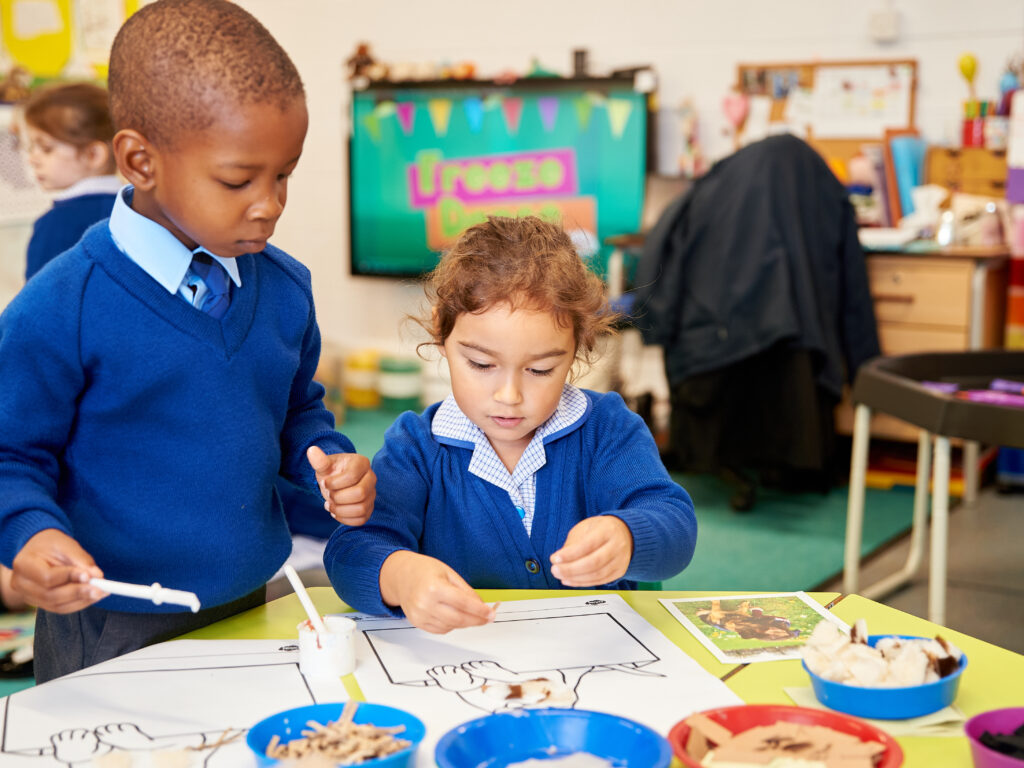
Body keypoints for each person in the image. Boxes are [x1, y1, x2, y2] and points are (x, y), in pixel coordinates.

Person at [0, 0, 376, 683]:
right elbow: (9, 454)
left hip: (250, 604)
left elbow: (296, 413)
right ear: (140, 161)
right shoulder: (60, 308)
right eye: (238, 180)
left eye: (284, 173)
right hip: (110, 625)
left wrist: (330, 460)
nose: (269, 204)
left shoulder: (286, 288)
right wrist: (31, 534)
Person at [325, 216, 696, 634]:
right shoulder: (416, 447)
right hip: (469, 665)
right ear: (441, 332)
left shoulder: (608, 429)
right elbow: (350, 552)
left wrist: (628, 536)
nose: (509, 395)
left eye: (540, 370)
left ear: (577, 346)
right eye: (481, 364)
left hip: (592, 657)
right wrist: (401, 576)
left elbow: (675, 523)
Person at [22, 82, 122, 281]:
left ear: (93, 154)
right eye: (31, 147)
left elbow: (34, 305)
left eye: (46, 148)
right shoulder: (143, 210)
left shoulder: (55, 224)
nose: (32, 158)